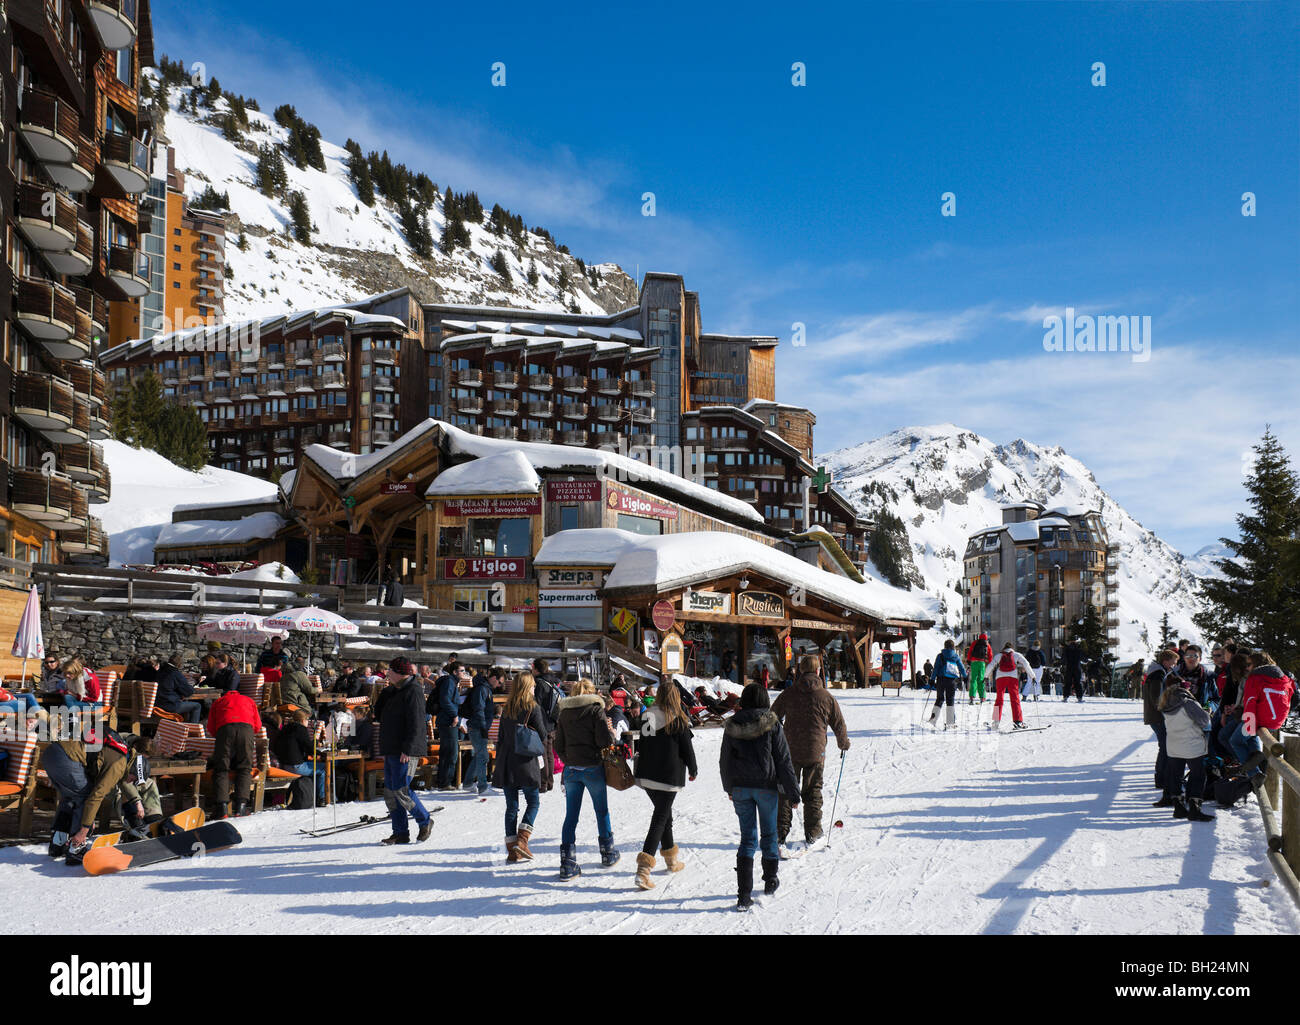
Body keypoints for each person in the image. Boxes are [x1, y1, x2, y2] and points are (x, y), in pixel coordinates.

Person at [719, 683, 800, 910]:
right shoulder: (772, 723)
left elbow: (724, 760)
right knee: (769, 834)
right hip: (766, 787)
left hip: (741, 789)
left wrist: (729, 788)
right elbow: (783, 760)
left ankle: (743, 895)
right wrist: (793, 792)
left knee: (747, 839)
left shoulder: (733, 724)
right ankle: (770, 880)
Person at [38, 727, 152, 863]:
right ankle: (77, 847)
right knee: (84, 797)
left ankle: (58, 843)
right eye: (134, 779)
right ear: (134, 770)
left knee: (70, 798)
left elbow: (118, 780)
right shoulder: (119, 765)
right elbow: (95, 797)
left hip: (52, 754)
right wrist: (85, 828)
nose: (131, 782)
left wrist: (136, 801)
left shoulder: (123, 753)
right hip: (66, 758)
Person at [771, 655, 850, 848]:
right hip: (816, 752)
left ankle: (779, 834)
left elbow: (772, 717)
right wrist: (843, 743)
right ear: (818, 671)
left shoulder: (789, 693)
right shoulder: (826, 697)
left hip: (789, 752)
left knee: (785, 792)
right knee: (813, 792)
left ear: (799, 670)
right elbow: (838, 724)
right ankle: (813, 833)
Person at [631, 677, 698, 890]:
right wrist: (693, 769)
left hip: (647, 775)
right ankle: (644, 869)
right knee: (660, 818)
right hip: (668, 777)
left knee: (664, 814)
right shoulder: (677, 719)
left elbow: (642, 742)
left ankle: (671, 859)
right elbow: (687, 749)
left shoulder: (647, 715)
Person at [554, 678, 617, 879]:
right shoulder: (595, 710)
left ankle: (567, 862)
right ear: (592, 693)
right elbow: (603, 741)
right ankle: (607, 853)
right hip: (592, 767)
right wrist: (611, 731)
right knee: (601, 810)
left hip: (572, 769)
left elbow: (558, 745)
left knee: (571, 816)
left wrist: (569, 759)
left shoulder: (564, 713)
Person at [378, 657, 434, 845]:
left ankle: (425, 820)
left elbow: (417, 723)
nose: (387, 673)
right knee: (390, 792)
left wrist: (408, 749)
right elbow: (378, 714)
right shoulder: (394, 691)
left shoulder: (414, 691)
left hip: (405, 750)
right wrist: (386, 691)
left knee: (402, 790)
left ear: (399, 673)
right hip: (392, 748)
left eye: (390, 670)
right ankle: (400, 832)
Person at [493, 671, 548, 862]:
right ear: (527, 687)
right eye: (532, 685)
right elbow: (542, 734)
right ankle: (522, 841)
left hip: (507, 761)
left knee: (511, 806)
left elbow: (500, 737)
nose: (534, 688)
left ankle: (512, 850)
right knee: (533, 802)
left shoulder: (507, 708)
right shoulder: (533, 707)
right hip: (526, 761)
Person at [1229, 652, 1296, 783]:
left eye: (1249, 664)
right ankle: (1256, 758)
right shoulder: (1284, 678)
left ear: (1256, 664)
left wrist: (1248, 723)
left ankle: (1254, 772)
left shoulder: (1255, 678)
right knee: (1251, 736)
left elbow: (1250, 702)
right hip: (1276, 722)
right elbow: (1290, 697)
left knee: (1235, 740)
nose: (1247, 668)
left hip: (1260, 719)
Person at [1158, 682, 1215, 821]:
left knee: (1176, 775)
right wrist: (1208, 712)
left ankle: (1178, 806)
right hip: (1192, 745)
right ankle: (1194, 807)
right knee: (1198, 775)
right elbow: (1204, 721)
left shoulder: (1165, 705)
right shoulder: (1187, 703)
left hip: (1173, 745)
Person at [207, 684, 261, 818]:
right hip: (246, 730)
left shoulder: (219, 702)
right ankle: (241, 807)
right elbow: (257, 726)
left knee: (221, 767)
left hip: (225, 730)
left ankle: (222, 808)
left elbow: (211, 728)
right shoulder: (249, 700)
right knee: (244, 767)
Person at [1144, 649, 1180, 805]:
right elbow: (1156, 697)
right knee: (1165, 746)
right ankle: (1161, 778)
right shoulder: (1158, 674)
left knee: (1164, 746)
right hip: (1157, 717)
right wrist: (1166, 709)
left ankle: (1161, 777)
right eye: (1174, 661)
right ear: (1166, 661)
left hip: (1155, 716)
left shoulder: (1158, 671)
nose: (1175, 664)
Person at [272, 709, 327, 807]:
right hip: (295, 766)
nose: (308, 722)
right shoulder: (301, 729)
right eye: (308, 720)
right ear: (303, 720)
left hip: (284, 764)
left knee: (314, 767)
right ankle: (322, 798)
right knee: (323, 768)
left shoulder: (285, 728)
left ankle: (312, 796)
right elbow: (309, 748)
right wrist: (322, 753)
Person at [461, 665, 496, 795]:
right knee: (483, 756)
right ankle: (482, 786)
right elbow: (479, 709)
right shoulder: (482, 689)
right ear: (493, 678)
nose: (500, 684)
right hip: (477, 726)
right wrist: (482, 726)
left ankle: (468, 783)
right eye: (499, 680)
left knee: (480, 755)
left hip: (478, 725)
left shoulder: (486, 688)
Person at [429, 661, 462, 791]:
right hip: (447, 721)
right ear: (454, 672)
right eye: (461, 671)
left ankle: (443, 781)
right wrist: (454, 715)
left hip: (446, 720)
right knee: (451, 752)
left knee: (447, 752)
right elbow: (445, 699)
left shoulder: (451, 682)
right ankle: (445, 782)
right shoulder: (449, 682)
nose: (463, 673)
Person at [990, 643, 1032, 730]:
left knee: (999, 699)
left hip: (1000, 677)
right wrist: (1033, 675)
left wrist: (985, 676)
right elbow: (1026, 663)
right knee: (1015, 699)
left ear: (1004, 648)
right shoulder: (1016, 655)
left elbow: (991, 665)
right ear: (1012, 648)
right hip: (1013, 677)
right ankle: (1018, 722)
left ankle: (996, 722)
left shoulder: (999, 655)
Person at [926, 639, 967, 728]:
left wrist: (932, 679)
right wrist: (965, 677)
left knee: (939, 699)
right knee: (950, 700)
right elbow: (961, 668)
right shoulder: (956, 657)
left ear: (944, 646)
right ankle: (950, 722)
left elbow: (936, 668)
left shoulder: (940, 656)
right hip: (952, 681)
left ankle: (933, 720)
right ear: (953, 647)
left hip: (941, 680)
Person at [155, 655, 201, 723]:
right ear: (179, 664)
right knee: (197, 706)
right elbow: (188, 692)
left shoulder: (159, 671)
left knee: (185, 703)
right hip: (168, 705)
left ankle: (183, 728)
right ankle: (192, 731)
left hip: (157, 704)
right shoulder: (175, 673)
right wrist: (195, 684)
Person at [1177, 645, 1217, 711]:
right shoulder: (1174, 675)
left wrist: (1209, 707)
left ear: (1200, 659)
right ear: (1184, 657)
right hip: (1178, 717)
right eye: (1188, 655)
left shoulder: (1208, 676)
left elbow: (1216, 699)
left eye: (1195, 656)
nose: (1191, 658)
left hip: (1199, 716)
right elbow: (1164, 699)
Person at [964, 633, 993, 705]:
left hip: (974, 662)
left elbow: (970, 651)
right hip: (982, 663)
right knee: (981, 679)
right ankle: (982, 697)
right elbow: (990, 656)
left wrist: (969, 660)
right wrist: (988, 661)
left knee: (973, 679)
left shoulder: (975, 642)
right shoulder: (987, 645)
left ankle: (972, 697)